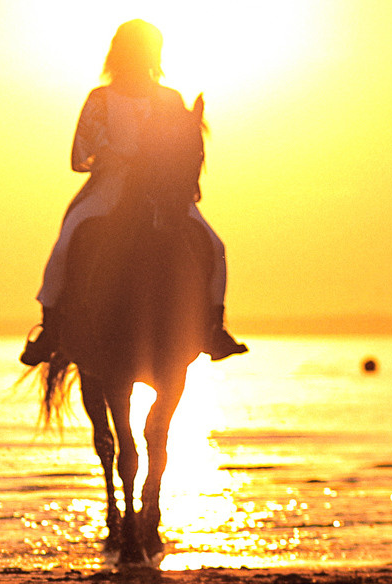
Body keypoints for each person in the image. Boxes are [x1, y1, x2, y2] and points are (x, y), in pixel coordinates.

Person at [18, 19, 248, 367]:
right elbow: (79, 157)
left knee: (215, 246)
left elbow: (183, 144)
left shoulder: (170, 99)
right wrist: (111, 154)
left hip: (161, 189)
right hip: (108, 187)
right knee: (66, 245)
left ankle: (214, 328)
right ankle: (50, 331)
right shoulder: (100, 99)